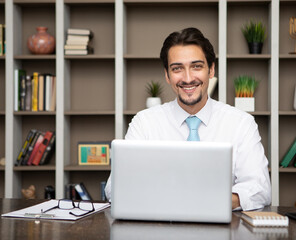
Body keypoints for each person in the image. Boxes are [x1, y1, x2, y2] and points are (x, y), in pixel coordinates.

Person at [105, 27, 271, 210]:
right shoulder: (144, 123)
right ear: (167, 75)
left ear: (211, 70)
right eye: (177, 69)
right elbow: (114, 189)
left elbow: (260, 189)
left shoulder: (241, 123)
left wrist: (201, 202)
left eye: (197, 66)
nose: (188, 78)